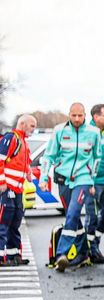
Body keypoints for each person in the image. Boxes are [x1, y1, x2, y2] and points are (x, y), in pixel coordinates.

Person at [41, 103, 104, 272]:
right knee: (73, 217)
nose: (77, 119)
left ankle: (62, 253)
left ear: (85, 115)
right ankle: (83, 252)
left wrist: (91, 180)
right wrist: (43, 177)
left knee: (73, 213)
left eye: (80, 116)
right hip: (63, 179)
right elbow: (49, 155)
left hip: (83, 178)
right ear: (69, 114)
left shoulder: (94, 133)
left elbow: (97, 158)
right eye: (73, 115)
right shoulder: (59, 131)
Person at [0, 114, 37, 266]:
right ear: (22, 124)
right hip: (7, 187)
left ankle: (13, 254)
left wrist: (28, 173)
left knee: (15, 220)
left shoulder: (23, 142)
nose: (33, 130)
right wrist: (2, 181)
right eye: (32, 126)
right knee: (4, 220)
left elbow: (24, 163)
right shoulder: (11, 138)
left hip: (18, 189)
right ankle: (2, 256)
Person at [86, 103, 104, 263]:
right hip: (93, 182)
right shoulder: (89, 133)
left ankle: (94, 242)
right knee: (92, 217)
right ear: (96, 117)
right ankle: (90, 250)